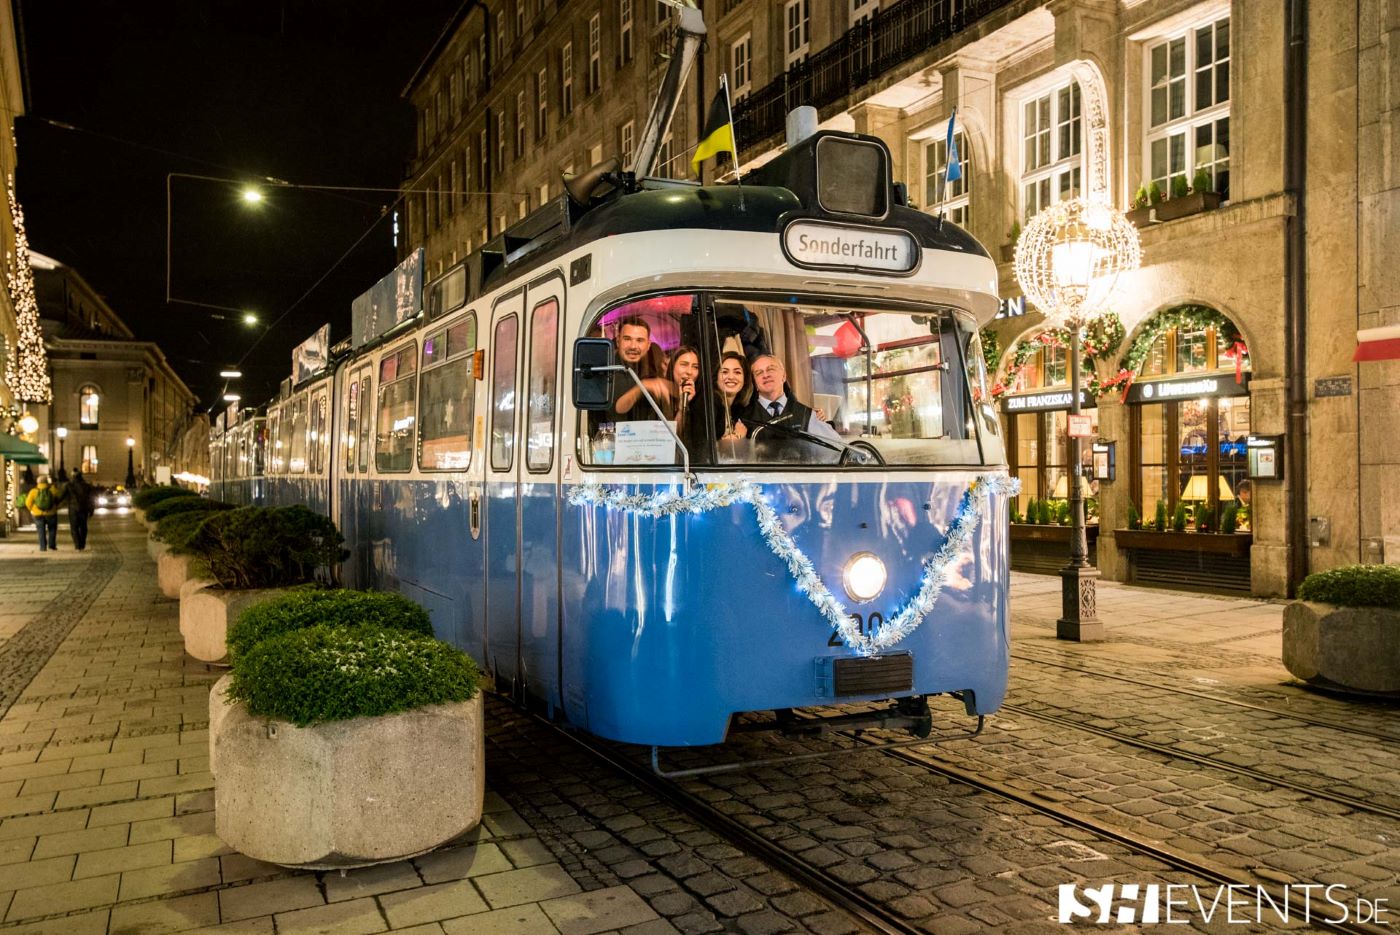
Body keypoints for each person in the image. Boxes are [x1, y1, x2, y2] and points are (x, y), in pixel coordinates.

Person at [741, 354, 843, 446]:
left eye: (771, 369)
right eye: (759, 373)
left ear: (784, 376)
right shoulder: (743, 419)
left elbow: (838, 450)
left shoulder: (807, 416)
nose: (765, 375)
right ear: (755, 383)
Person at [607, 317, 669, 421]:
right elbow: (616, 409)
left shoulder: (651, 367)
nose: (633, 346)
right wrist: (643, 386)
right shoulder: (607, 367)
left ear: (648, 345)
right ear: (618, 341)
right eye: (627, 339)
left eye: (640, 340)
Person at [714, 351, 751, 442]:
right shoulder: (712, 402)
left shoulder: (738, 409)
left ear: (745, 379)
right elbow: (706, 447)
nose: (731, 377)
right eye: (725, 372)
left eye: (737, 372)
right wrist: (737, 436)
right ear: (715, 378)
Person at [25, 475, 60, 552]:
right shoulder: (53, 490)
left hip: (38, 514)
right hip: (51, 513)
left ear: (38, 482)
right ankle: (52, 545)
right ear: (47, 482)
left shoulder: (33, 491)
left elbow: (28, 503)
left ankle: (43, 547)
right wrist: (56, 508)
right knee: (52, 529)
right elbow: (59, 500)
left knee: (41, 530)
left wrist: (32, 510)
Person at [66, 469, 93, 551]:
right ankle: (82, 543)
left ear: (73, 476)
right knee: (83, 527)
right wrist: (91, 509)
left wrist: (55, 503)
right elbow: (91, 499)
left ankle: (77, 545)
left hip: (73, 509)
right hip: (84, 509)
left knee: (74, 527)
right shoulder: (87, 486)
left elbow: (62, 496)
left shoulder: (69, 485)